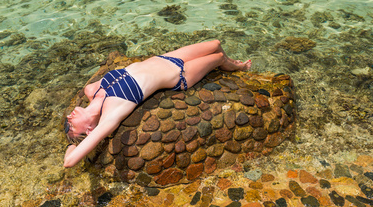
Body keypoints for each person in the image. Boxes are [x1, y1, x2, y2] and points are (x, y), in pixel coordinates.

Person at [63, 40, 251, 168]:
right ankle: (234, 66)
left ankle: (228, 62)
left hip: (164, 58)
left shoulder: (92, 91)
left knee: (216, 44)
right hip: (180, 74)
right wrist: (72, 146)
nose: (69, 116)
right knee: (218, 57)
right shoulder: (110, 115)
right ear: (89, 131)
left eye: (68, 119)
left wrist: (84, 119)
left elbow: (89, 104)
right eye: (72, 125)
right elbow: (69, 162)